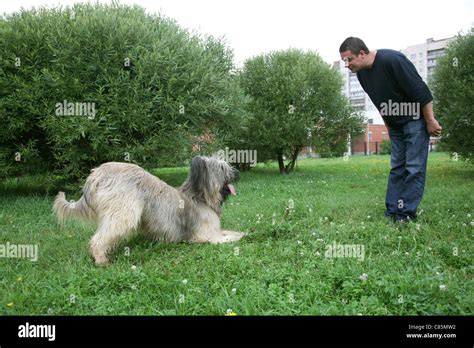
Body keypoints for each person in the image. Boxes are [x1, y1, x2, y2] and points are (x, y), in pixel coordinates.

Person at [339, 37, 442, 222]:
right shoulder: (362, 73)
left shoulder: (392, 60)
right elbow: (379, 100)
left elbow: (421, 91)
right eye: (344, 61)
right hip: (395, 125)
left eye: (349, 59)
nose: (347, 65)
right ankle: (393, 210)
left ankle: (406, 214)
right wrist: (387, 123)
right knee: (397, 168)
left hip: (415, 120)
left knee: (414, 168)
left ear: (361, 53)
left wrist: (430, 120)